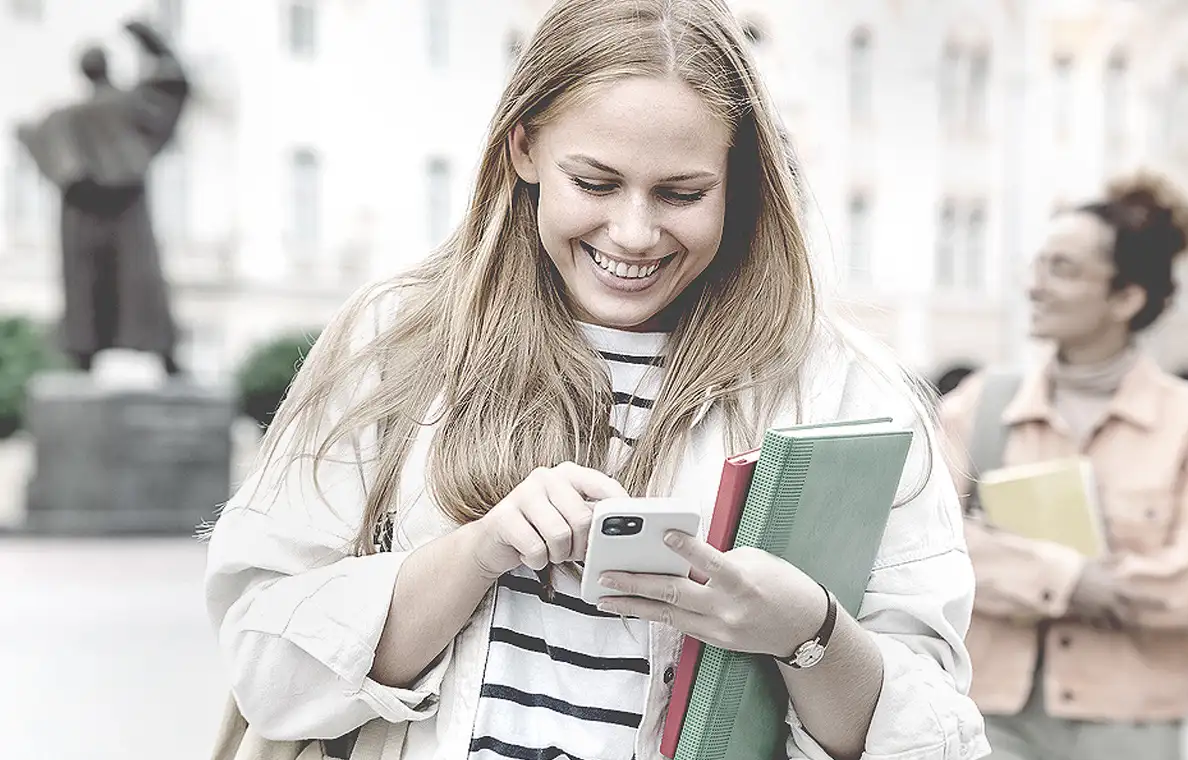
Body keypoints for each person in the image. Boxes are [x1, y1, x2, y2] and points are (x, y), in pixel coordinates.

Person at [202, 2, 989, 759]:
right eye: (597, 183)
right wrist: (480, 550)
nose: (635, 233)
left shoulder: (849, 393)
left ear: (740, 177)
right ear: (524, 148)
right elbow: (267, 669)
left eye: (682, 194)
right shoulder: (398, 341)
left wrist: (808, 632)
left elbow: (934, 735)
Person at [939, 171, 1188, 760]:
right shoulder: (982, 405)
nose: (1035, 286)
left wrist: (1013, 567)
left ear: (1126, 298)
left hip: (1129, 724)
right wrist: (1072, 580)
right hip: (989, 713)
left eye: (1063, 270)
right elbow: (928, 543)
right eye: (1038, 265)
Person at [16, 20, 187, 376]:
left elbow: (34, 140)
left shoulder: (64, 118)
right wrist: (150, 39)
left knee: (89, 283)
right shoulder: (131, 105)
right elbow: (173, 83)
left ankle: (84, 355)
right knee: (139, 281)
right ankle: (163, 355)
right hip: (125, 209)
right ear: (107, 68)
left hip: (83, 212)